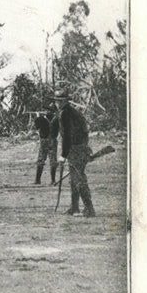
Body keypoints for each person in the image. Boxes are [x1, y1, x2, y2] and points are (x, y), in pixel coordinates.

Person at [55, 89, 95, 217]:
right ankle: (75, 207)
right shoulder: (73, 112)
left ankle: (89, 208)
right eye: (57, 100)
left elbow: (67, 136)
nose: (57, 103)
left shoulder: (65, 114)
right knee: (74, 179)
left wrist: (63, 155)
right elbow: (84, 132)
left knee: (78, 179)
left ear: (65, 101)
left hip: (75, 149)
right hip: (80, 148)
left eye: (60, 101)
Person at [33, 104, 60, 185]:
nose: (47, 111)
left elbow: (37, 127)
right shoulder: (57, 119)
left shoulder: (42, 119)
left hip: (45, 141)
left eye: (48, 110)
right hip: (52, 141)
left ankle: (38, 180)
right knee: (52, 161)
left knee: (42, 160)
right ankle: (52, 180)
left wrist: (37, 117)